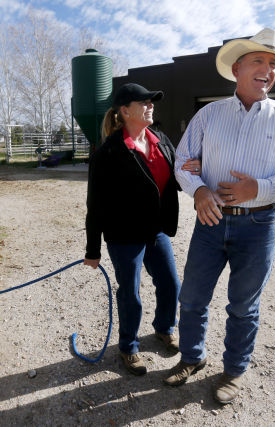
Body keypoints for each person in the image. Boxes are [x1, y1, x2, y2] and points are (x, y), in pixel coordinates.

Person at [164, 28, 275, 404]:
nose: (268, 70)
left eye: (273, 64)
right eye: (259, 61)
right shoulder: (208, 114)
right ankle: (191, 358)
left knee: (243, 305)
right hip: (211, 220)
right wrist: (200, 189)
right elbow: (183, 165)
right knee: (193, 297)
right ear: (237, 68)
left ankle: (234, 371)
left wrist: (260, 189)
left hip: (259, 224)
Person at [84, 83, 200, 376]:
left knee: (171, 284)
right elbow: (95, 205)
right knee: (131, 293)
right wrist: (93, 250)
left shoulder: (161, 140)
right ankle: (128, 347)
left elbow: (176, 176)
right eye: (144, 102)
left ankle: (164, 328)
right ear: (124, 111)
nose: (151, 106)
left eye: (152, 102)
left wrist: (196, 171)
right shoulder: (108, 153)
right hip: (124, 236)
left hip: (156, 230)